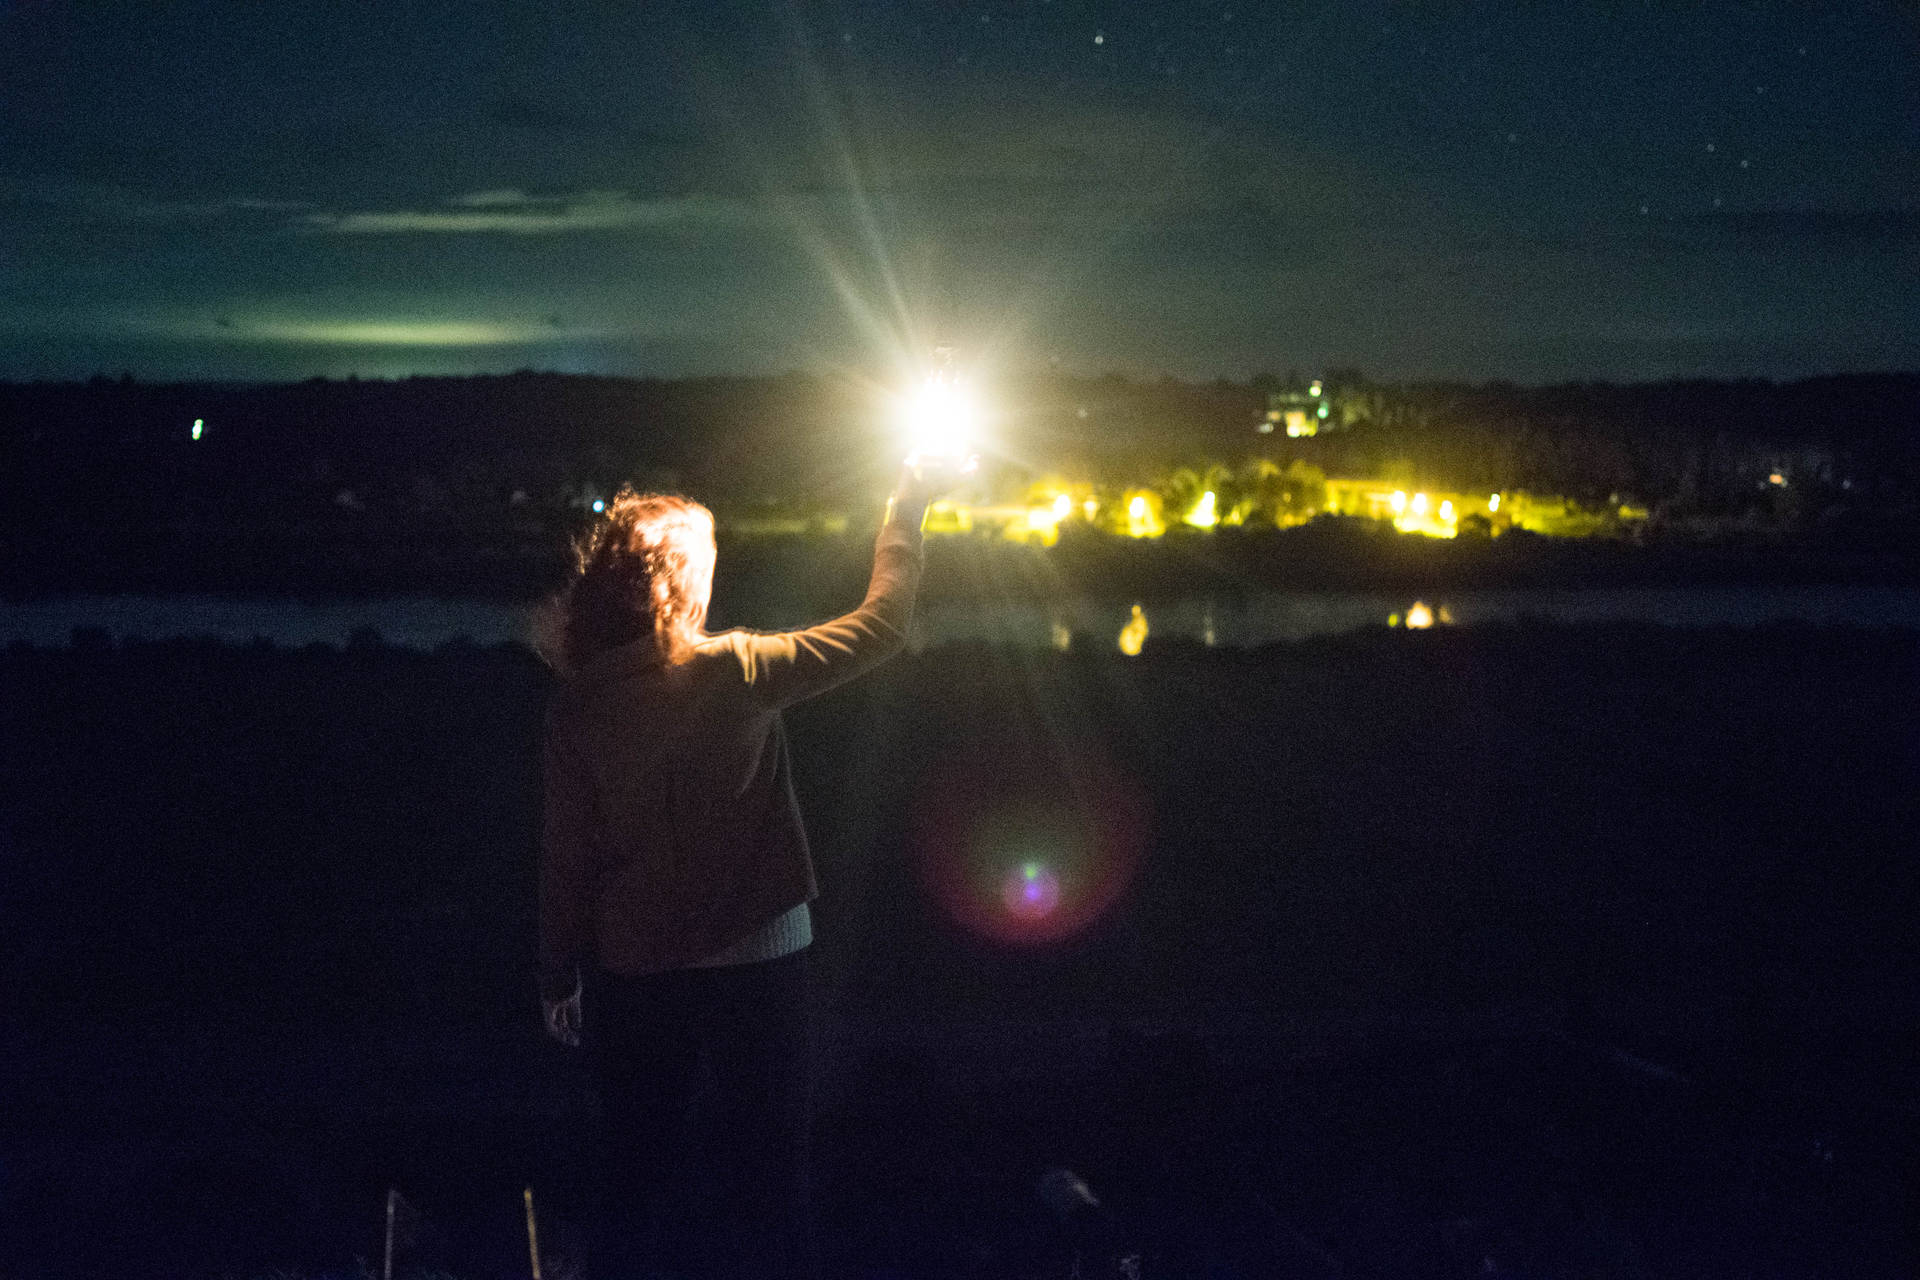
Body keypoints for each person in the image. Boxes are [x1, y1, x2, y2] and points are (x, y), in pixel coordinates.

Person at [536, 462, 955, 1278]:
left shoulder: (576, 707)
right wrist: (907, 506)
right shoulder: (738, 668)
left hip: (637, 969)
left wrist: (557, 975)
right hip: (763, 964)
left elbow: (566, 854)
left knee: (635, 1177)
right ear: (679, 584)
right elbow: (884, 625)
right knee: (768, 1181)